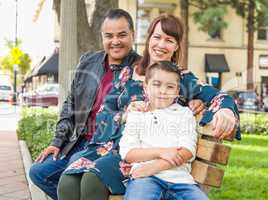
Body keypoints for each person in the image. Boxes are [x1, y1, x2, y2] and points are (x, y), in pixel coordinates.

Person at [57, 14, 239, 200]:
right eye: (157, 37)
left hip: (140, 153)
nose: (161, 45)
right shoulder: (129, 72)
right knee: (67, 184)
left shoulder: (181, 79)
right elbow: (106, 111)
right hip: (106, 145)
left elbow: (219, 96)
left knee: (92, 181)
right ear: (149, 38)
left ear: (176, 46)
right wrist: (125, 114)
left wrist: (225, 110)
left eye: (169, 40)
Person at [29, 9, 141, 200]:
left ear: (132, 35)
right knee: (39, 172)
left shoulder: (141, 68)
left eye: (122, 35)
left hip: (112, 147)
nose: (115, 41)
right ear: (102, 37)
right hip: (79, 142)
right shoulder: (88, 62)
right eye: (109, 36)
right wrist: (58, 141)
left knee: (77, 171)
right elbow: (70, 105)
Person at [119, 60, 208, 200]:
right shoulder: (137, 114)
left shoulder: (184, 114)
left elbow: (187, 150)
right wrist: (163, 152)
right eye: (156, 84)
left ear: (177, 91)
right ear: (145, 87)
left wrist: (153, 167)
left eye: (170, 87)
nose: (163, 91)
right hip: (145, 180)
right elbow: (128, 153)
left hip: (181, 182)